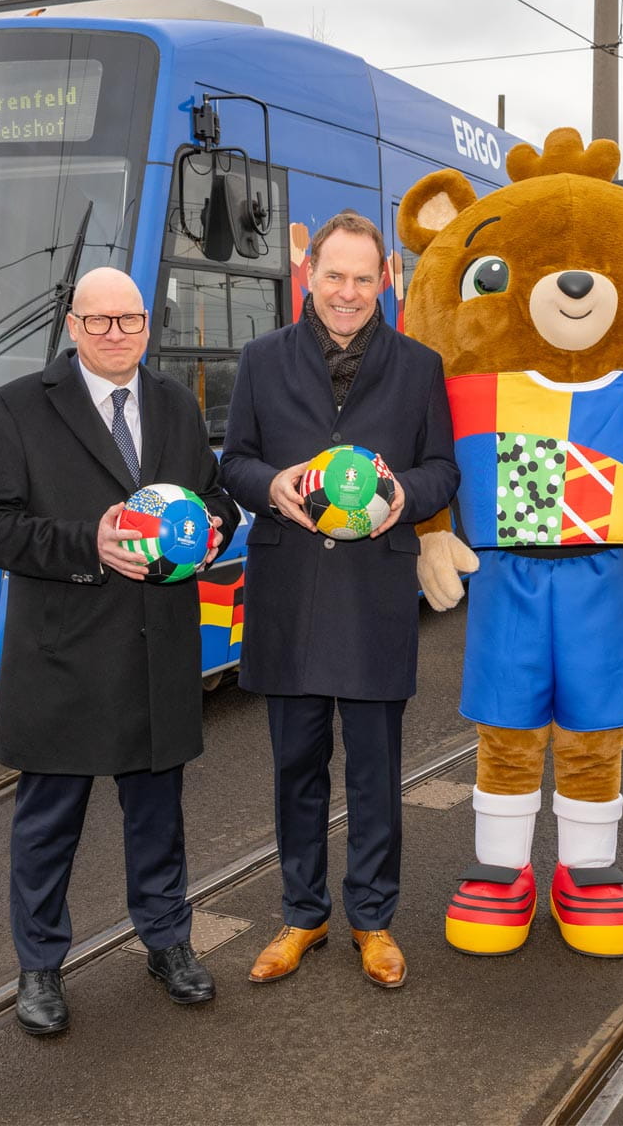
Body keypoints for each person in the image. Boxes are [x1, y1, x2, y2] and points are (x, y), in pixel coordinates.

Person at [0, 267, 240, 1034]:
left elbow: (214, 496)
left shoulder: (177, 404)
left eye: (131, 320)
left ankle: (168, 941)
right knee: (49, 824)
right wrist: (91, 541)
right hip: (64, 657)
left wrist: (214, 527)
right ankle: (40, 966)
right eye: (100, 322)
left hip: (158, 651)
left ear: (149, 325)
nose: (117, 335)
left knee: (158, 814)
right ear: (74, 327)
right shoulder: (18, 407)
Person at [220, 211, 458, 989]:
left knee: (375, 770)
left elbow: (443, 471)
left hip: (373, 594)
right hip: (290, 590)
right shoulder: (261, 360)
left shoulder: (420, 367)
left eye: (363, 278)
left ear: (384, 280)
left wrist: (399, 497)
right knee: (296, 766)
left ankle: (374, 919)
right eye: (334, 276)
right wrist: (272, 485)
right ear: (309, 276)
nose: (348, 293)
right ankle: (302, 913)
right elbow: (237, 461)